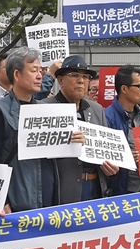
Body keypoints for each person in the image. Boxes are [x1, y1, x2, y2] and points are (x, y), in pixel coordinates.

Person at [0, 48, 63, 211]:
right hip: (17, 203)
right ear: (17, 75)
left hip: (48, 202)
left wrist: (73, 140)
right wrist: (1, 200)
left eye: (41, 71)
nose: (40, 76)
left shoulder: (46, 110)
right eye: (34, 71)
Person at [42, 56, 119, 202]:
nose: (81, 80)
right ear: (60, 80)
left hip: (96, 187)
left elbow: (106, 147)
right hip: (61, 189)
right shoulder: (44, 107)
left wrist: (112, 166)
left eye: (85, 76)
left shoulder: (97, 109)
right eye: (74, 75)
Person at [103, 66, 140, 194]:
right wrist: (124, 156)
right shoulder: (107, 117)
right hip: (123, 189)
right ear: (124, 89)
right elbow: (103, 154)